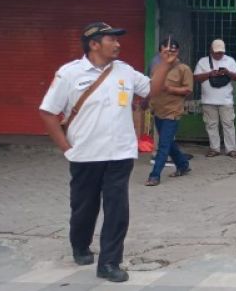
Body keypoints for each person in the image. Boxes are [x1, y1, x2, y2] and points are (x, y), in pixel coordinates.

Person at [38, 22, 174, 282]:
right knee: (84, 207)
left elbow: (151, 90)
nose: (118, 44)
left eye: (118, 39)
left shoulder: (124, 70)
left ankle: (109, 263)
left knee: (117, 210)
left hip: (120, 154)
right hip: (85, 155)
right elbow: (47, 112)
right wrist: (66, 148)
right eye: (112, 40)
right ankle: (80, 245)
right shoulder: (69, 73)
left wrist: (165, 65)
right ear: (94, 44)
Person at [145, 38, 193, 186]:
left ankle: (155, 175)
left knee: (163, 145)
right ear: (160, 52)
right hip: (158, 109)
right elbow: (148, 86)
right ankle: (183, 165)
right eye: (165, 51)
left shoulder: (183, 69)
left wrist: (170, 89)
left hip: (173, 111)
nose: (169, 54)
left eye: (172, 51)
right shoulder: (156, 67)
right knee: (168, 142)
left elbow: (188, 90)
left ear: (177, 52)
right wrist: (145, 102)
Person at [194, 39, 236, 158]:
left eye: (221, 52)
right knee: (211, 125)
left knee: (228, 124)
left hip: (226, 100)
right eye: (217, 52)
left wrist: (228, 72)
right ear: (211, 50)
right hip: (208, 100)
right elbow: (196, 78)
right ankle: (214, 148)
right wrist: (209, 74)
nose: (219, 54)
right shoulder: (203, 61)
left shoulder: (229, 61)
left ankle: (231, 149)